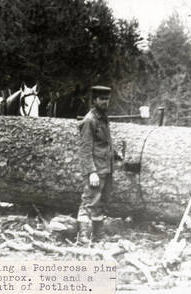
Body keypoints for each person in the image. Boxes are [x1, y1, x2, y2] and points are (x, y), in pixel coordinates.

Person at [76, 85, 121, 244]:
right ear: (94, 100)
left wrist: (115, 154)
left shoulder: (103, 118)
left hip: (105, 168)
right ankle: (83, 236)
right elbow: (85, 150)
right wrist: (91, 172)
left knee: (100, 202)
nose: (105, 102)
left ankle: (98, 235)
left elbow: (104, 142)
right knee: (89, 201)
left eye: (107, 99)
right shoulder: (89, 120)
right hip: (96, 169)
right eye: (102, 99)